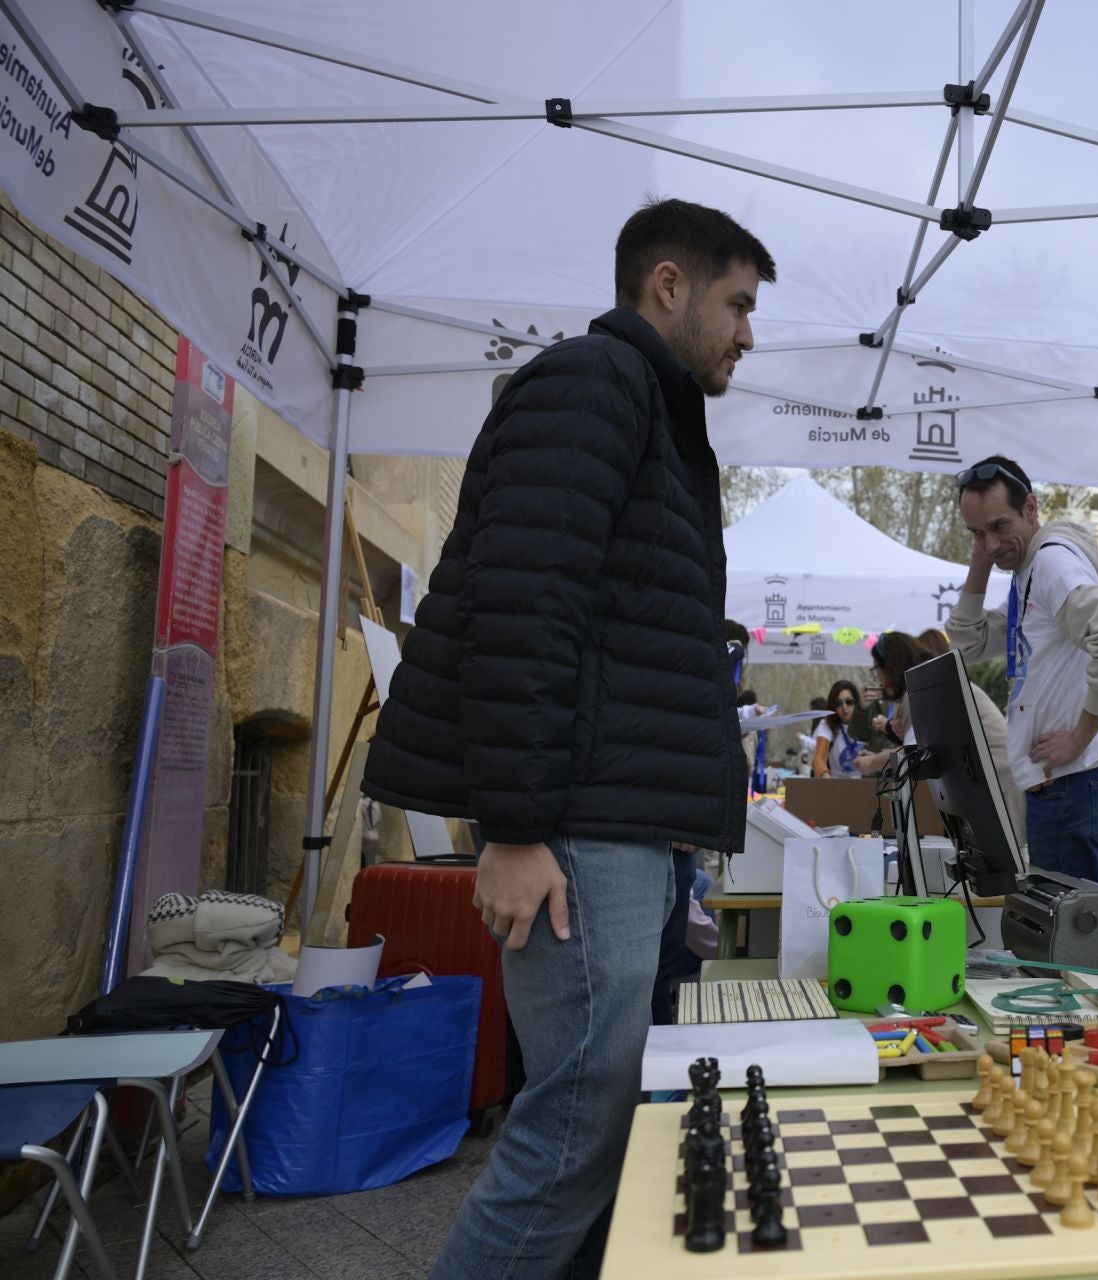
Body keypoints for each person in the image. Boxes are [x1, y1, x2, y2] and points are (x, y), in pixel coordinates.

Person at [361, 197, 773, 1278]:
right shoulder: (597, 383)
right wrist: (517, 826)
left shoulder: (649, 405)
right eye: (736, 303)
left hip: (610, 819)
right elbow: (523, 605)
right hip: (576, 827)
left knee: (600, 1121)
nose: (747, 332)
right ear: (668, 285)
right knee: (574, 1126)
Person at [948, 456, 1098, 899]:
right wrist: (980, 563)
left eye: (1000, 526)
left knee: (1073, 947)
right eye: (977, 534)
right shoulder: (1028, 573)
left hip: (1072, 782)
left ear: (1031, 507)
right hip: (1070, 785)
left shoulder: (1053, 565)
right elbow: (969, 641)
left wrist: (1078, 738)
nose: (992, 544)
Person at [853, 630, 1025, 845]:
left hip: (997, 786)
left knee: (1002, 864)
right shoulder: (931, 684)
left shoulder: (919, 692)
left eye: (877, 669)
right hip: (987, 784)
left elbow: (913, 756)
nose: (877, 676)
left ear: (889, 666)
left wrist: (871, 763)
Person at [811, 679, 868, 778]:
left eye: (849, 702)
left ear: (856, 702)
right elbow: (818, 760)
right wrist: (825, 775)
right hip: (836, 786)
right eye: (839, 703)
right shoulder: (826, 724)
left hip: (865, 787)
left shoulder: (867, 722)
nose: (844, 707)